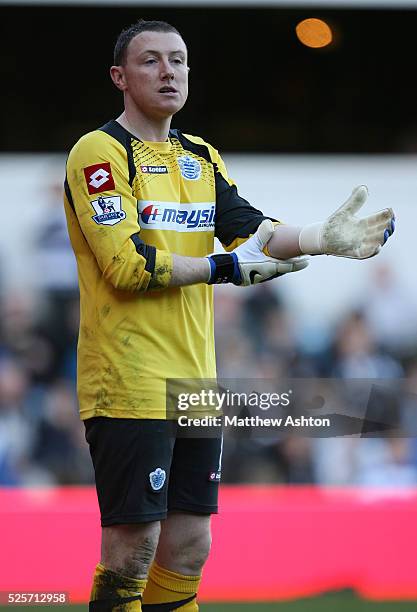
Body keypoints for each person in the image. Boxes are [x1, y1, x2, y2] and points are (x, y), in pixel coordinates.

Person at [63, 19, 395, 612]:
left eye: (179, 60)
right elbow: (127, 265)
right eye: (151, 61)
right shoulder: (99, 152)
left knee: (190, 546)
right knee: (133, 549)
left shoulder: (199, 156)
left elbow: (253, 231)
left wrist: (323, 236)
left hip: (196, 383)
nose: (169, 71)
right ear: (120, 77)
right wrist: (223, 269)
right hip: (130, 377)